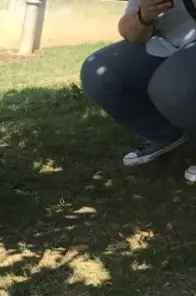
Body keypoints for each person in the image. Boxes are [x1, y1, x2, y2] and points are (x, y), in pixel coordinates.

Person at [80, 0, 196, 169]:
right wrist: (143, 17)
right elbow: (129, 31)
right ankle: (165, 135)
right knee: (98, 73)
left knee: (171, 87)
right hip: (164, 44)